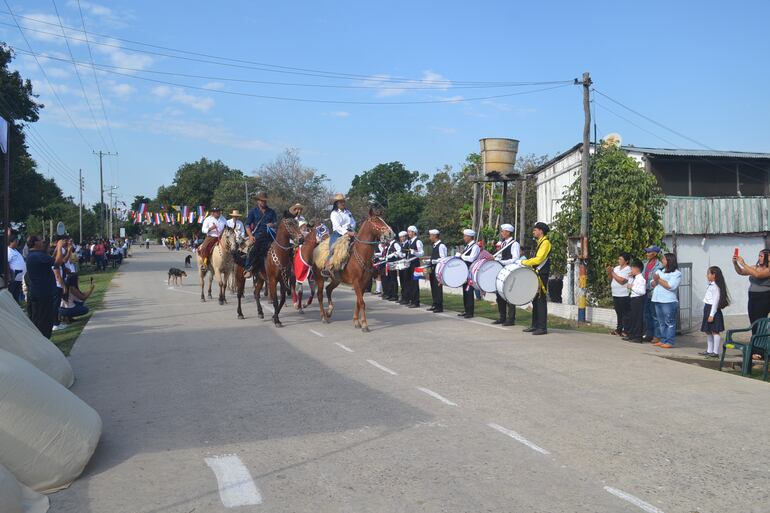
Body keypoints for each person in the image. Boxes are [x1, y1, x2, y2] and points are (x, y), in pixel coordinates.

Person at [25, 235, 68, 338]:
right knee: (44, 321)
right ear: (35, 243)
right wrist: (59, 246)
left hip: (38, 293)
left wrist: (57, 249)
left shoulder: (35, 255)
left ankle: (41, 342)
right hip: (42, 294)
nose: (43, 242)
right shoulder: (37, 255)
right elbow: (57, 263)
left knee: (39, 319)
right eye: (41, 240)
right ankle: (44, 342)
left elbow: (50, 260)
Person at [521, 222, 552, 335]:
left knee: (540, 300)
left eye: (535, 230)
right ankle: (535, 325)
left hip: (541, 275)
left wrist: (524, 262)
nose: (533, 231)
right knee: (535, 300)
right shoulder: (540, 243)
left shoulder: (545, 243)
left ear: (541, 231)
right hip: (536, 274)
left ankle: (542, 327)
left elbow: (539, 260)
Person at [651, 252, 681, 348]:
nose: (662, 261)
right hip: (657, 299)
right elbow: (652, 284)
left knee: (669, 322)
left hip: (668, 301)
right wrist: (655, 280)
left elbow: (671, 286)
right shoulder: (660, 271)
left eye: (663, 259)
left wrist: (659, 280)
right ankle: (663, 339)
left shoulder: (676, 273)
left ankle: (669, 341)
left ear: (669, 261)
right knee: (661, 322)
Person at [244, 192, 278, 279]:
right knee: (254, 249)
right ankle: (249, 268)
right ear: (258, 201)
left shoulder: (271, 212)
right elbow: (247, 225)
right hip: (258, 235)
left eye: (265, 201)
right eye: (262, 201)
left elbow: (276, 223)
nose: (263, 202)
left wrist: (272, 224)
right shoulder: (253, 211)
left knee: (281, 246)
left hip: (270, 234)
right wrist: (251, 236)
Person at [699, 266, 729, 358]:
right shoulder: (711, 284)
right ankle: (709, 350)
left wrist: (712, 314)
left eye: (709, 273)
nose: (707, 275)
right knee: (708, 331)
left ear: (714, 275)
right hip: (708, 308)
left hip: (713, 310)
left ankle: (715, 352)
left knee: (715, 331)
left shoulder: (716, 287)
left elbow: (715, 302)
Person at [493, 223, 520, 326]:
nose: (501, 233)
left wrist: (502, 262)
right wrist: (495, 259)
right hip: (502, 271)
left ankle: (511, 319)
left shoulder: (514, 244)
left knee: (509, 294)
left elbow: (515, 259)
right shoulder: (503, 243)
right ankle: (502, 317)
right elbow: (501, 257)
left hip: (509, 271)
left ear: (508, 232)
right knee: (499, 295)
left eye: (503, 231)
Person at [324, 194, 356, 276]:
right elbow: (337, 227)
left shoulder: (348, 212)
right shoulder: (334, 213)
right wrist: (347, 232)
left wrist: (351, 229)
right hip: (338, 234)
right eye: (341, 202)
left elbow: (353, 222)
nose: (343, 203)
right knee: (333, 249)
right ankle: (327, 267)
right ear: (336, 203)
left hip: (350, 232)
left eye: (343, 201)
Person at [607, 252, 632, 336]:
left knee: (625, 313)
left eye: (621, 259)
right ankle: (619, 329)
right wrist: (610, 272)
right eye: (619, 259)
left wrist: (613, 273)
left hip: (623, 294)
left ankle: (626, 330)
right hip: (615, 293)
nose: (619, 261)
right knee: (618, 312)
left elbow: (622, 281)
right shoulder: (617, 268)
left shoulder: (628, 269)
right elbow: (611, 278)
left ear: (626, 261)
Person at [457, 229, 480, 318]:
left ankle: (470, 312)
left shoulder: (475, 247)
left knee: (469, 292)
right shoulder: (468, 246)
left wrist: (461, 256)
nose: (464, 238)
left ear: (470, 237)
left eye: (465, 236)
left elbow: (472, 258)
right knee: (465, 291)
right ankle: (466, 310)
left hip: (471, 272)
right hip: (465, 272)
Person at [642, 246, 663, 343]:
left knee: (655, 315)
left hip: (653, 292)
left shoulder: (659, 265)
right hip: (645, 292)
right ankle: (649, 334)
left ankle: (657, 335)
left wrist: (649, 285)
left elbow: (656, 281)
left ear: (654, 254)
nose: (647, 254)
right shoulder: (645, 264)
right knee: (646, 314)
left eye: (649, 252)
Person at [623, 259, 646, 343]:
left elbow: (642, 291)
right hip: (633, 299)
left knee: (637, 318)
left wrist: (632, 287)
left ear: (637, 269)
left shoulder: (641, 279)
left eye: (632, 268)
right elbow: (630, 284)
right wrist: (630, 278)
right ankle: (632, 335)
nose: (631, 270)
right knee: (632, 318)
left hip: (638, 299)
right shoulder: (635, 278)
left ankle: (638, 337)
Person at [403, 226, 424, 308]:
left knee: (415, 283)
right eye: (408, 232)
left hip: (415, 263)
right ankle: (412, 300)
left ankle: (416, 302)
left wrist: (415, 252)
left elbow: (422, 253)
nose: (408, 233)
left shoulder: (418, 241)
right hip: (410, 263)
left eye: (410, 232)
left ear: (414, 232)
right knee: (410, 283)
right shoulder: (410, 241)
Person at [427, 229, 447, 313]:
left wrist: (435, 261)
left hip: (438, 269)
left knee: (437, 287)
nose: (430, 237)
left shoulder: (441, 246)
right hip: (433, 268)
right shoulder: (435, 245)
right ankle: (435, 303)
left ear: (435, 236)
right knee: (433, 286)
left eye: (431, 235)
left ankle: (439, 306)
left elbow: (443, 258)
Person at [7, 233, 26, 303]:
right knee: (13, 295)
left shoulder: (15, 250)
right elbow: (7, 263)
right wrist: (10, 274)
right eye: (16, 241)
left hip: (20, 278)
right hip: (14, 278)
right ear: (11, 242)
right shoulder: (8, 251)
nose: (17, 242)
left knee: (17, 295)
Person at [382, 235, 402, 301]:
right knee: (390, 279)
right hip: (389, 263)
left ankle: (395, 295)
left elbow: (399, 251)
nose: (387, 239)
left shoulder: (395, 243)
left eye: (388, 237)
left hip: (393, 263)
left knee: (393, 279)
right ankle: (390, 294)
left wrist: (393, 254)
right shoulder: (390, 244)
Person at [396, 231, 409, 303]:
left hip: (405, 264)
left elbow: (405, 255)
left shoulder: (407, 243)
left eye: (402, 237)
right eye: (400, 237)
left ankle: (406, 298)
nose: (401, 238)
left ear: (405, 237)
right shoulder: (402, 244)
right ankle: (403, 297)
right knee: (402, 282)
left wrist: (400, 254)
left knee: (405, 282)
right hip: (401, 264)